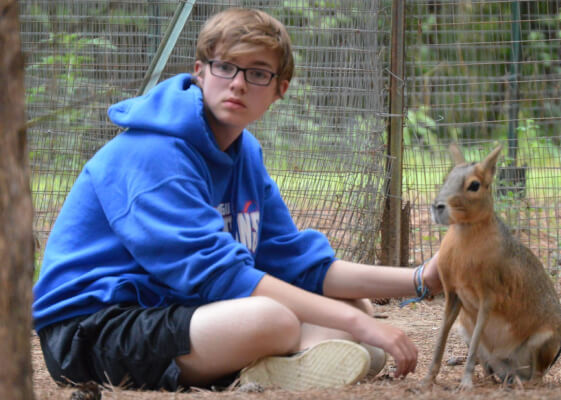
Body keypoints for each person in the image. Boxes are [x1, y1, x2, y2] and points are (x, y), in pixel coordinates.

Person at [33, 7, 441, 392]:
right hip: (91, 331)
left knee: (356, 308)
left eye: (258, 73)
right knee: (277, 319)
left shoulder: (245, 154)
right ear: (200, 72)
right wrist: (355, 323)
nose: (238, 83)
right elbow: (219, 277)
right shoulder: (153, 153)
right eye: (225, 67)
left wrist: (421, 279)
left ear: (280, 90)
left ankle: (273, 368)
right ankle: (278, 355)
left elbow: (296, 263)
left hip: (175, 312)